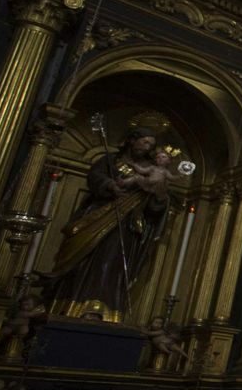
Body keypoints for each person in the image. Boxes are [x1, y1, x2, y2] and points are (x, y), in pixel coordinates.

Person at [51, 127, 172, 322]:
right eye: (144, 142)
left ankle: (105, 309)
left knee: (112, 265)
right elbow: (95, 177)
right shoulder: (111, 161)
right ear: (132, 140)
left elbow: (156, 206)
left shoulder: (152, 170)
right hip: (98, 216)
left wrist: (159, 197)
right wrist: (109, 185)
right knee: (84, 260)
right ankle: (70, 303)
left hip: (126, 226)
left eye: (150, 144)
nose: (147, 147)